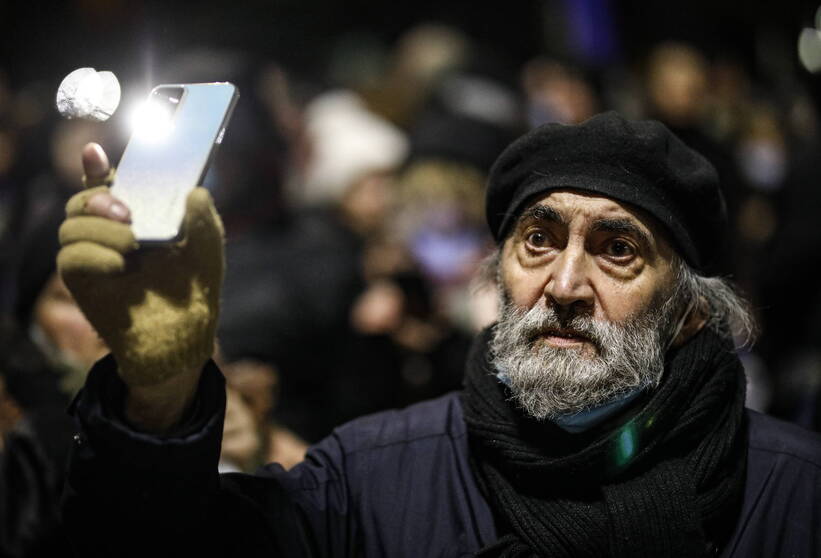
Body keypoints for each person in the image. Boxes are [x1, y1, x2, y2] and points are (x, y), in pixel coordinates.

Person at [59, 113, 820, 557]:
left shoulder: (793, 495)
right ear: (500, 272)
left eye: (616, 250)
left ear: (689, 309)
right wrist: (158, 389)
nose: (562, 285)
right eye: (538, 239)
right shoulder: (371, 477)